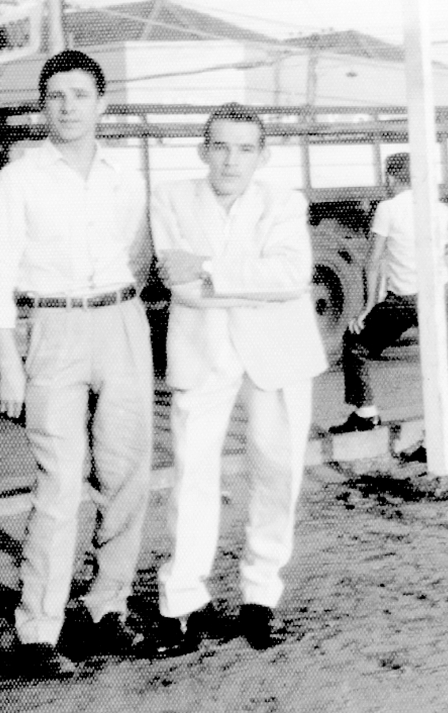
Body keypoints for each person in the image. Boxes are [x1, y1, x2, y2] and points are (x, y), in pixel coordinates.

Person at [0, 49, 153, 674]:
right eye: (56, 96)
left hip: (123, 321)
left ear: (102, 103)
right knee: (60, 484)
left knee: (127, 478)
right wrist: (10, 361)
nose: (68, 106)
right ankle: (39, 631)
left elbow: (137, 252)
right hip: (51, 328)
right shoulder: (17, 179)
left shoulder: (126, 177)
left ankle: (107, 611)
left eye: (80, 94)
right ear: (42, 106)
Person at [144, 103, 327, 656]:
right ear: (203, 150)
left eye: (244, 148)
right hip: (203, 353)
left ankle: (259, 598)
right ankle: (181, 602)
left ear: (262, 155)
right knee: (191, 476)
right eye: (219, 146)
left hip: (280, 353)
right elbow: (183, 288)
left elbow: (294, 276)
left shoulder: (284, 201)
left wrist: (208, 268)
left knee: (277, 474)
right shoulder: (170, 197)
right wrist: (244, 280)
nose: (230, 159)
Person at [329, 153, 448, 434]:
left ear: (391, 177)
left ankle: (365, 412)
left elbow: (373, 261)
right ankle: (435, 440)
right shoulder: (435, 207)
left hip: (408, 298)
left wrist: (368, 306)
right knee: (439, 363)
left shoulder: (387, 208)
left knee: (355, 342)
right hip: (446, 291)